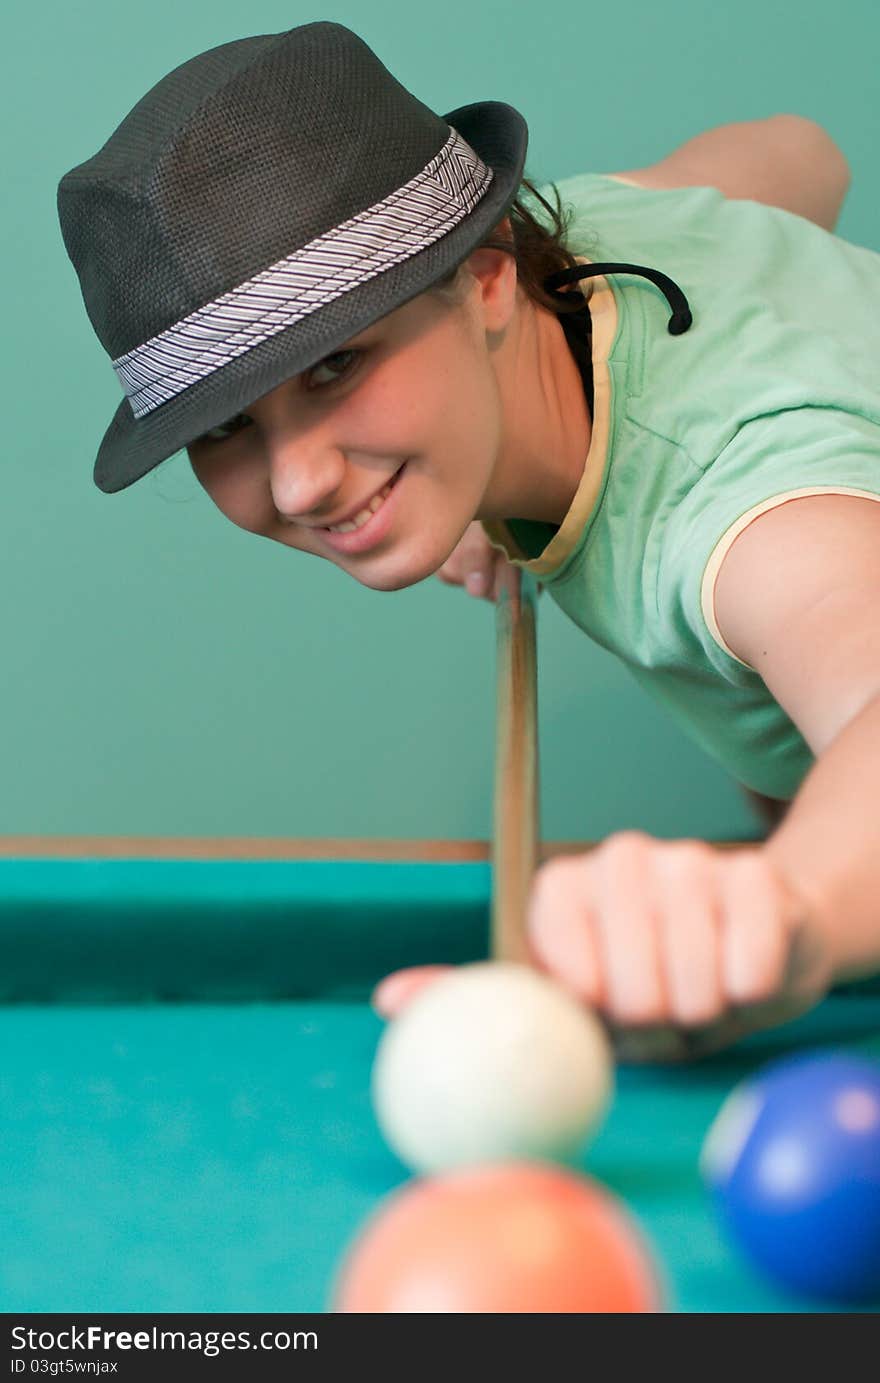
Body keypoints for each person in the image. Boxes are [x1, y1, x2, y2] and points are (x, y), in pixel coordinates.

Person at [57, 21, 880, 1061]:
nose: (301, 481)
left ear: (488, 279)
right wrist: (469, 464)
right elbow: (803, 150)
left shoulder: (747, 515)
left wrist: (788, 911)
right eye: (222, 424)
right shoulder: (586, 235)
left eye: (335, 365)